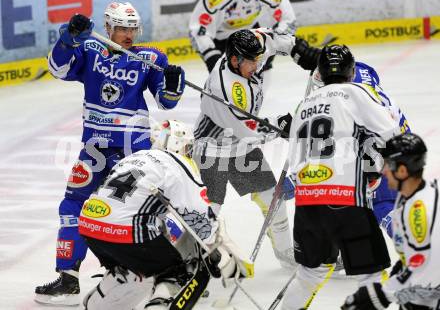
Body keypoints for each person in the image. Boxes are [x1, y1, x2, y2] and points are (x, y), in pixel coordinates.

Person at [34, 2, 185, 306]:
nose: (128, 35)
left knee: (146, 210)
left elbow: (166, 102)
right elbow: (57, 68)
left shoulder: (150, 57)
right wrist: (68, 39)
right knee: (72, 204)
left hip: (133, 149)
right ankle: (68, 278)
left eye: (132, 29)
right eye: (122, 28)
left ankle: (179, 269)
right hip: (94, 149)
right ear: (109, 28)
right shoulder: (90, 49)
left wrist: (172, 82)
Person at [78, 120, 253, 310]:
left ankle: (95, 305)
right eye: (188, 147)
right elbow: (201, 217)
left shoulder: (136, 157)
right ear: (178, 144)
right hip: (126, 230)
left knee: (134, 267)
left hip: (89, 224)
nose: (189, 152)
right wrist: (220, 253)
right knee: (176, 273)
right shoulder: (178, 163)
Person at [281, 44, 401, 310]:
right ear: (351, 72)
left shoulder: (303, 105)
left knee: (309, 275)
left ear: (320, 75)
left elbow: (295, 164)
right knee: (372, 277)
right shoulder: (355, 92)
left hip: (307, 204)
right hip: (346, 203)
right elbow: (392, 135)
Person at [192, 28, 311, 269]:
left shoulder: (250, 50)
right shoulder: (226, 89)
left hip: (240, 149)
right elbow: (249, 131)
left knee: (272, 201)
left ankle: (287, 254)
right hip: (212, 151)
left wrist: (300, 50)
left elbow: (272, 37)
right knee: (208, 214)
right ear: (235, 60)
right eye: (251, 62)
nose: (257, 66)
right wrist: (281, 125)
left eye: (258, 59)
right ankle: (193, 265)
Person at [342, 133, 440, 310]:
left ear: (402, 171)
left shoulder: (419, 211)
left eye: (387, 165)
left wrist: (380, 294)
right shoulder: (409, 200)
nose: (382, 171)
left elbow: (426, 272)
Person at [189, 0, 297, 72]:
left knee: (262, 69)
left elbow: (288, 20)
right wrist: (211, 56)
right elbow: (198, 30)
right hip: (219, 40)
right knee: (223, 79)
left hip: (250, 32)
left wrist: (273, 43)